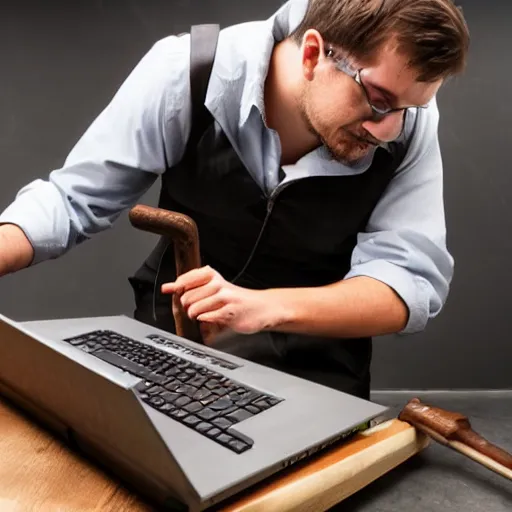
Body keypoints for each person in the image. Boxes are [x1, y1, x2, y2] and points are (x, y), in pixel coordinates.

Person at [0, 0, 469, 399]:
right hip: (168, 357)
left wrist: (264, 308)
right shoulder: (187, 72)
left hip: (315, 384)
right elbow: (69, 200)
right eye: (380, 100)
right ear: (312, 55)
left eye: (410, 109)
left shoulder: (408, 127)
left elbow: (407, 284)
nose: (387, 129)